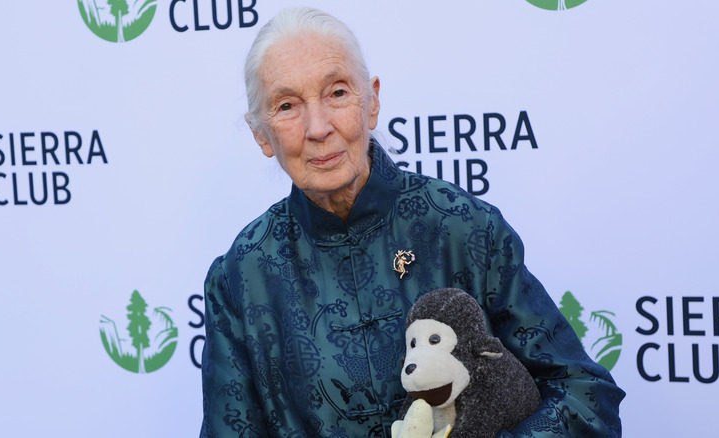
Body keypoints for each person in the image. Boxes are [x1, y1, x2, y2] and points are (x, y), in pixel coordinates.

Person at [199, 7, 624, 438]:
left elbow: (585, 398)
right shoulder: (242, 275)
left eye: (338, 93)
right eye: (287, 105)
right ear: (260, 134)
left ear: (373, 101)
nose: (318, 127)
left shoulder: (463, 228)